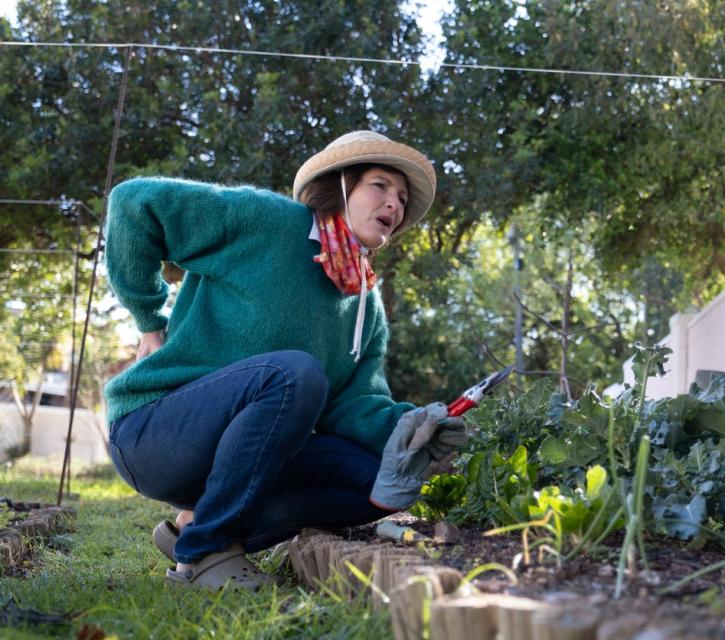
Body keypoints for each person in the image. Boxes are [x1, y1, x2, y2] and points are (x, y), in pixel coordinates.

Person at [104, 131, 466, 590]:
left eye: (401, 197)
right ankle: (206, 554)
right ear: (340, 186)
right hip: (156, 433)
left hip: (236, 452)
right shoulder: (268, 221)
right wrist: (149, 321)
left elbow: (353, 407)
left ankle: (195, 527)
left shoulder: (363, 303)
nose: (394, 204)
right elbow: (135, 202)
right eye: (380, 185)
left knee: (383, 482)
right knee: (294, 373)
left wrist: (416, 430)